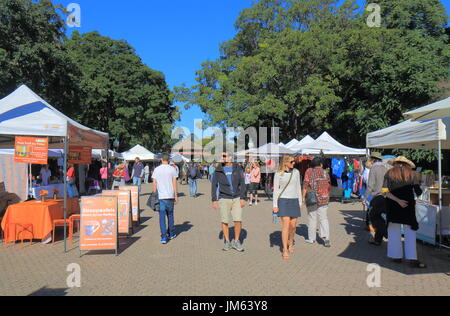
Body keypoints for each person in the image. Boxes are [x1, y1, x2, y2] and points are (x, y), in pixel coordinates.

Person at [383, 157, 427, 268]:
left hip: (393, 206)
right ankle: (412, 258)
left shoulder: (389, 173)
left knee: (393, 232)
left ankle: (396, 256)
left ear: (395, 163)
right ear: (407, 164)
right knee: (410, 233)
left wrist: (398, 200)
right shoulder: (412, 174)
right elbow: (418, 191)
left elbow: (384, 191)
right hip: (408, 205)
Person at [211, 152, 247, 252]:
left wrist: (243, 197)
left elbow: (242, 183)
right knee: (225, 220)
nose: (222, 158)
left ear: (230, 157)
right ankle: (227, 241)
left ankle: (236, 241)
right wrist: (214, 200)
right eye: (221, 156)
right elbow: (214, 185)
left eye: (224, 156)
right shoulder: (218, 169)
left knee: (238, 220)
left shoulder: (237, 168)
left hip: (236, 198)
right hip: (224, 198)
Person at [273, 156, 302, 260]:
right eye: (291, 161)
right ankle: (285, 249)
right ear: (285, 162)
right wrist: (275, 205)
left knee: (293, 226)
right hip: (283, 201)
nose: (294, 163)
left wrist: (300, 202)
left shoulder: (296, 172)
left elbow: (298, 186)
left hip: (294, 200)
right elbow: (276, 190)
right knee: (286, 224)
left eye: (294, 161)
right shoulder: (278, 173)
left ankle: (291, 242)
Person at [303, 157, 331, 247]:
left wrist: (303, 197)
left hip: (312, 198)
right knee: (323, 218)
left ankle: (311, 238)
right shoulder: (325, 172)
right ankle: (326, 238)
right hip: (324, 198)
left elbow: (305, 185)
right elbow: (329, 185)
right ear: (321, 164)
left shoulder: (309, 171)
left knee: (312, 218)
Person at [152, 154, 179, 244]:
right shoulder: (172, 169)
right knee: (170, 215)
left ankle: (163, 237)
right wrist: (176, 195)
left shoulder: (156, 169)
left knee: (162, 217)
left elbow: (154, 184)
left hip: (161, 196)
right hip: (170, 196)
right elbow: (174, 183)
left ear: (161, 159)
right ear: (169, 160)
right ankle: (171, 233)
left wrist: (154, 194)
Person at [364, 152, 390, 246]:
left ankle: (386, 234)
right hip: (387, 196)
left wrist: (365, 197)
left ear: (373, 160)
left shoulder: (374, 168)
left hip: (378, 196)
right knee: (380, 217)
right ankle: (378, 240)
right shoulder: (386, 167)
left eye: (370, 160)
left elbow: (370, 185)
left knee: (373, 216)